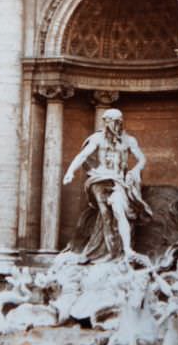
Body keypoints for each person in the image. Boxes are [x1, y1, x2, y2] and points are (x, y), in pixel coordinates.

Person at [63, 108, 152, 261]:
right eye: (112, 121)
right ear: (105, 122)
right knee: (106, 217)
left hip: (118, 181)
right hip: (99, 179)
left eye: (118, 121)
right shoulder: (97, 139)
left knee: (118, 209)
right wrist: (70, 171)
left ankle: (126, 250)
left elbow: (142, 159)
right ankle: (110, 252)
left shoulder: (129, 140)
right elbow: (83, 155)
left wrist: (135, 170)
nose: (116, 124)